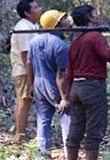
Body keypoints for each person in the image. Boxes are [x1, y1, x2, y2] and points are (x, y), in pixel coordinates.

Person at [65, 4, 110, 160]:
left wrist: (67, 95)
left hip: (76, 89)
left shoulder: (75, 42)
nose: (99, 17)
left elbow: (69, 73)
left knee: (76, 127)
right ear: (89, 19)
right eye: (95, 14)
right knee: (95, 129)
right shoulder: (95, 37)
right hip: (92, 87)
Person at [27, 10, 71, 157]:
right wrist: (64, 97)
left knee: (43, 121)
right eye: (64, 19)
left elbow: (29, 65)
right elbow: (61, 75)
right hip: (55, 87)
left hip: (38, 85)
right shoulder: (61, 46)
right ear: (57, 24)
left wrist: (31, 86)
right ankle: (70, 154)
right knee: (66, 120)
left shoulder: (34, 42)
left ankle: (43, 154)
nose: (67, 21)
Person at [11, 0, 42, 142]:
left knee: (23, 100)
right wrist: (31, 76)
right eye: (35, 8)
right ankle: (19, 136)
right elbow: (25, 55)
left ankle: (20, 133)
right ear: (27, 13)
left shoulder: (32, 26)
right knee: (24, 101)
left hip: (26, 70)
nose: (39, 10)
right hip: (24, 71)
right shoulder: (23, 28)